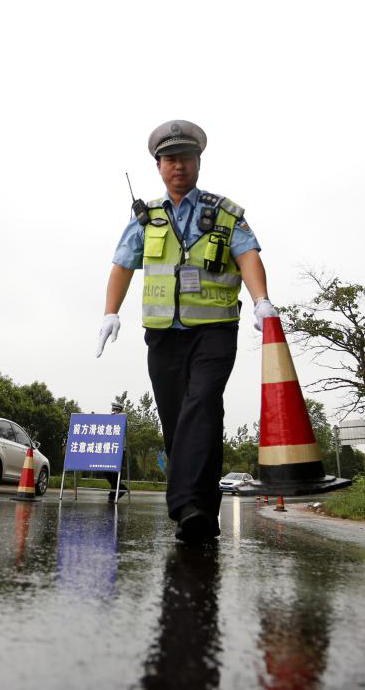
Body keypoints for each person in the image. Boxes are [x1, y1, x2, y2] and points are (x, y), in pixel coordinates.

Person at [95, 120, 276, 543]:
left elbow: (247, 255)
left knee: (203, 404)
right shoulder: (147, 218)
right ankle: (200, 512)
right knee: (181, 422)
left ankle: (183, 506)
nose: (179, 166)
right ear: (159, 165)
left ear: (198, 163)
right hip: (163, 336)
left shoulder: (226, 212)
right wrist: (110, 313)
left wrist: (261, 299)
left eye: (187, 158)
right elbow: (123, 265)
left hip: (214, 330)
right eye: (171, 159)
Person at [103, 397, 129, 504]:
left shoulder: (123, 419)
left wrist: (117, 417)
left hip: (119, 450)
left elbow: (124, 418)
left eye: (117, 410)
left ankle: (112, 495)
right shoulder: (109, 421)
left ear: (120, 411)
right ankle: (121, 488)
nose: (114, 412)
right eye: (113, 410)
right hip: (108, 449)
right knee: (106, 471)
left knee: (116, 473)